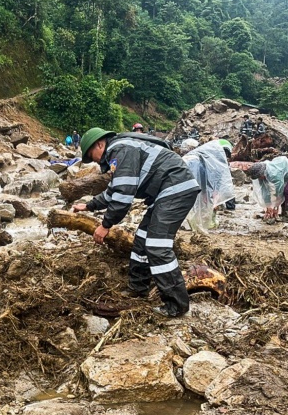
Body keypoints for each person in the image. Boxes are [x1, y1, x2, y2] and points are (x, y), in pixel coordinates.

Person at [72, 127, 200, 318]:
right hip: (166, 192)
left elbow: (123, 196)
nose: (97, 161)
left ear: (100, 144)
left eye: (93, 155)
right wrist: (89, 206)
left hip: (176, 188)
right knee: (142, 240)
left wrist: (105, 226)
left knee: (157, 246)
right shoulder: (120, 151)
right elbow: (113, 191)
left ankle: (177, 305)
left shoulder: (120, 149)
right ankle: (138, 288)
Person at [182, 139, 235, 232]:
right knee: (198, 203)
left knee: (197, 202)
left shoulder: (204, 157)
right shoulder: (213, 164)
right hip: (193, 178)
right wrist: (215, 202)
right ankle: (197, 224)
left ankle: (193, 223)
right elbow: (215, 184)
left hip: (187, 177)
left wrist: (211, 200)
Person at [245, 156, 288, 222]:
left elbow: (278, 191)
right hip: (286, 173)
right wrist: (268, 207)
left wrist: (274, 207)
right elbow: (264, 191)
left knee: (287, 191)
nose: (260, 178)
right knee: (284, 191)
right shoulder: (260, 176)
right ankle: (283, 213)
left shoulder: (274, 174)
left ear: (263, 172)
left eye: (260, 176)